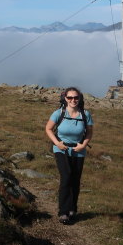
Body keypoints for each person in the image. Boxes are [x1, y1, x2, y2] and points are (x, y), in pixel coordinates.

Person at [45, 87, 93, 224]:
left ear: (80, 98)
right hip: (61, 149)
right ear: (65, 98)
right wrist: (57, 143)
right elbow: (48, 128)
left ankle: (73, 209)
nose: (73, 100)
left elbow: (89, 132)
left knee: (75, 180)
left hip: (78, 150)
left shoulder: (85, 114)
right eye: (70, 97)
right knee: (66, 177)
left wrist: (83, 145)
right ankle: (63, 212)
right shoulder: (58, 113)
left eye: (76, 97)